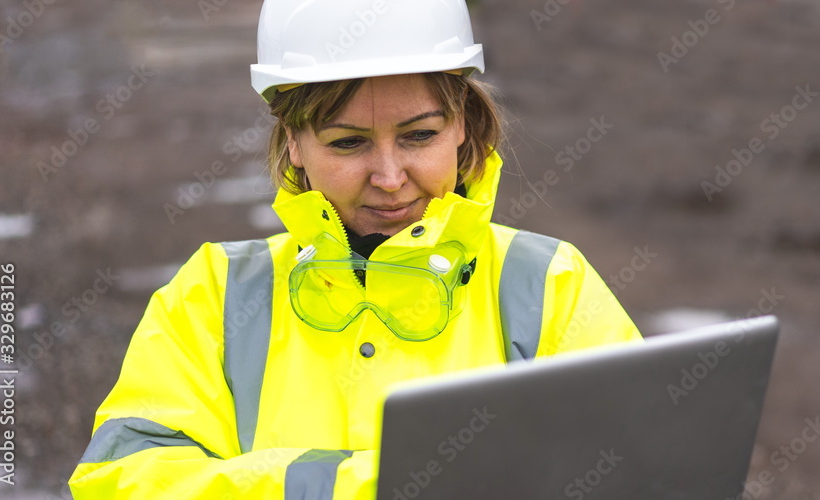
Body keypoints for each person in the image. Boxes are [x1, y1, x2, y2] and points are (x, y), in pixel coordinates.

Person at [69, 0, 641, 497]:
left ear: (463, 124)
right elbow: (123, 482)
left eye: (419, 135)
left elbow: (643, 472)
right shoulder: (216, 296)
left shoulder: (548, 287)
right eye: (349, 143)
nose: (389, 177)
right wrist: (369, 487)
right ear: (292, 141)